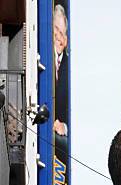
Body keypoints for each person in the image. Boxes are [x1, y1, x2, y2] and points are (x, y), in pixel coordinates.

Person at [53, 4, 68, 139]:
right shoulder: (45, 56)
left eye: (62, 34)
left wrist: (64, 126)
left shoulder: (69, 69)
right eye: (55, 31)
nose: (58, 38)